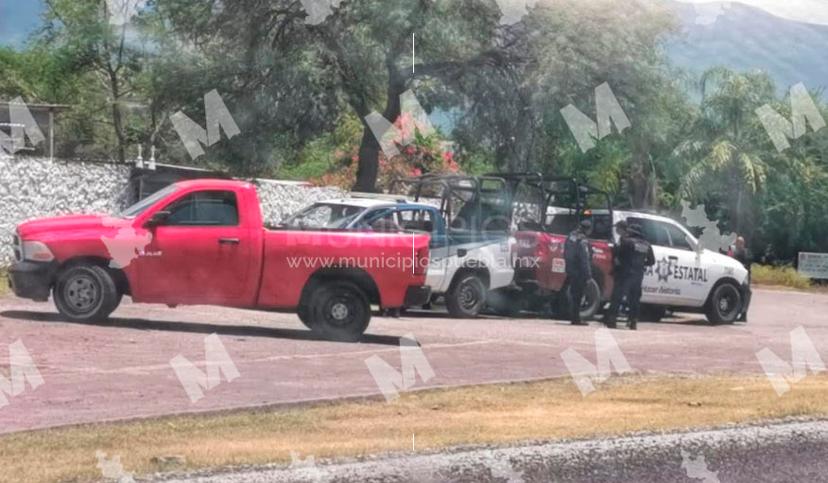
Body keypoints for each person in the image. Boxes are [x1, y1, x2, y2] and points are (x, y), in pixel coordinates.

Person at [604, 222, 655, 330]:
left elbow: (619, 256)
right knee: (634, 300)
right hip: (638, 276)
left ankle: (612, 321)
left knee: (617, 298)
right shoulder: (647, 245)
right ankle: (633, 322)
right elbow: (651, 261)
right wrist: (641, 265)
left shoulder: (627, 242)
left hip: (625, 274)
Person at [564, 219, 593, 326]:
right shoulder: (583, 240)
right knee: (578, 295)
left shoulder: (571, 236)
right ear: (588, 229)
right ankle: (576, 319)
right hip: (579, 270)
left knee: (573, 294)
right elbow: (584, 258)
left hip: (571, 268)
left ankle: (573, 317)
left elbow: (565, 252)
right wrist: (588, 274)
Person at [731, 236, 751, 322]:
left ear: (742, 243)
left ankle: (743, 315)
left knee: (744, 295)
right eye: (737, 243)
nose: (737, 244)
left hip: (744, 277)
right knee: (740, 295)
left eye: (739, 243)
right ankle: (740, 314)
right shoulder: (736, 252)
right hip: (739, 276)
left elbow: (747, 266)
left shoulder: (744, 253)